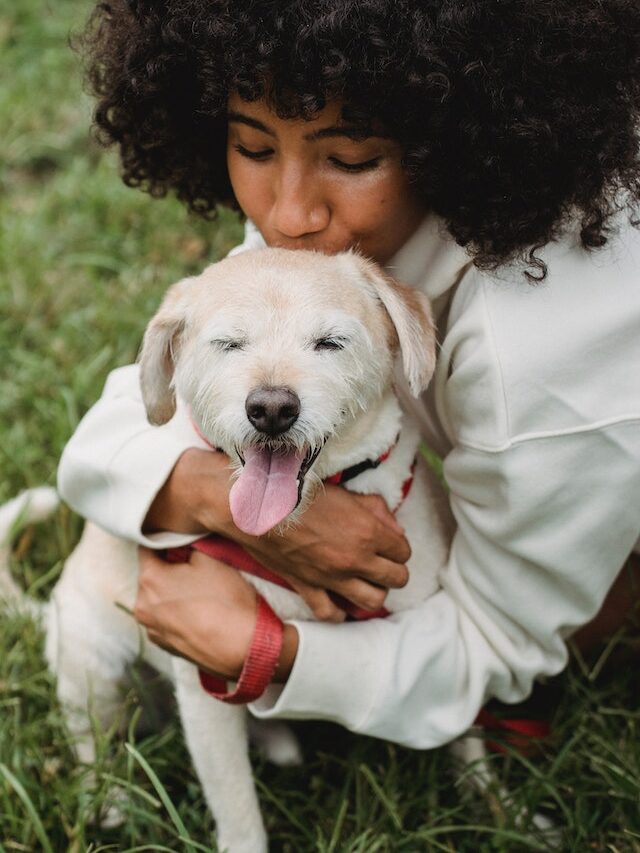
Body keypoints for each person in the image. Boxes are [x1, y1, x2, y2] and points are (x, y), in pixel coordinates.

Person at [58, 0, 640, 748]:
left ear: (449, 142)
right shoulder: (336, 219)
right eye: (253, 147)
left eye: (352, 159)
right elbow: (106, 440)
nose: (291, 213)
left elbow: (496, 644)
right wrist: (210, 495)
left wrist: (269, 650)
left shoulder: (539, 358)